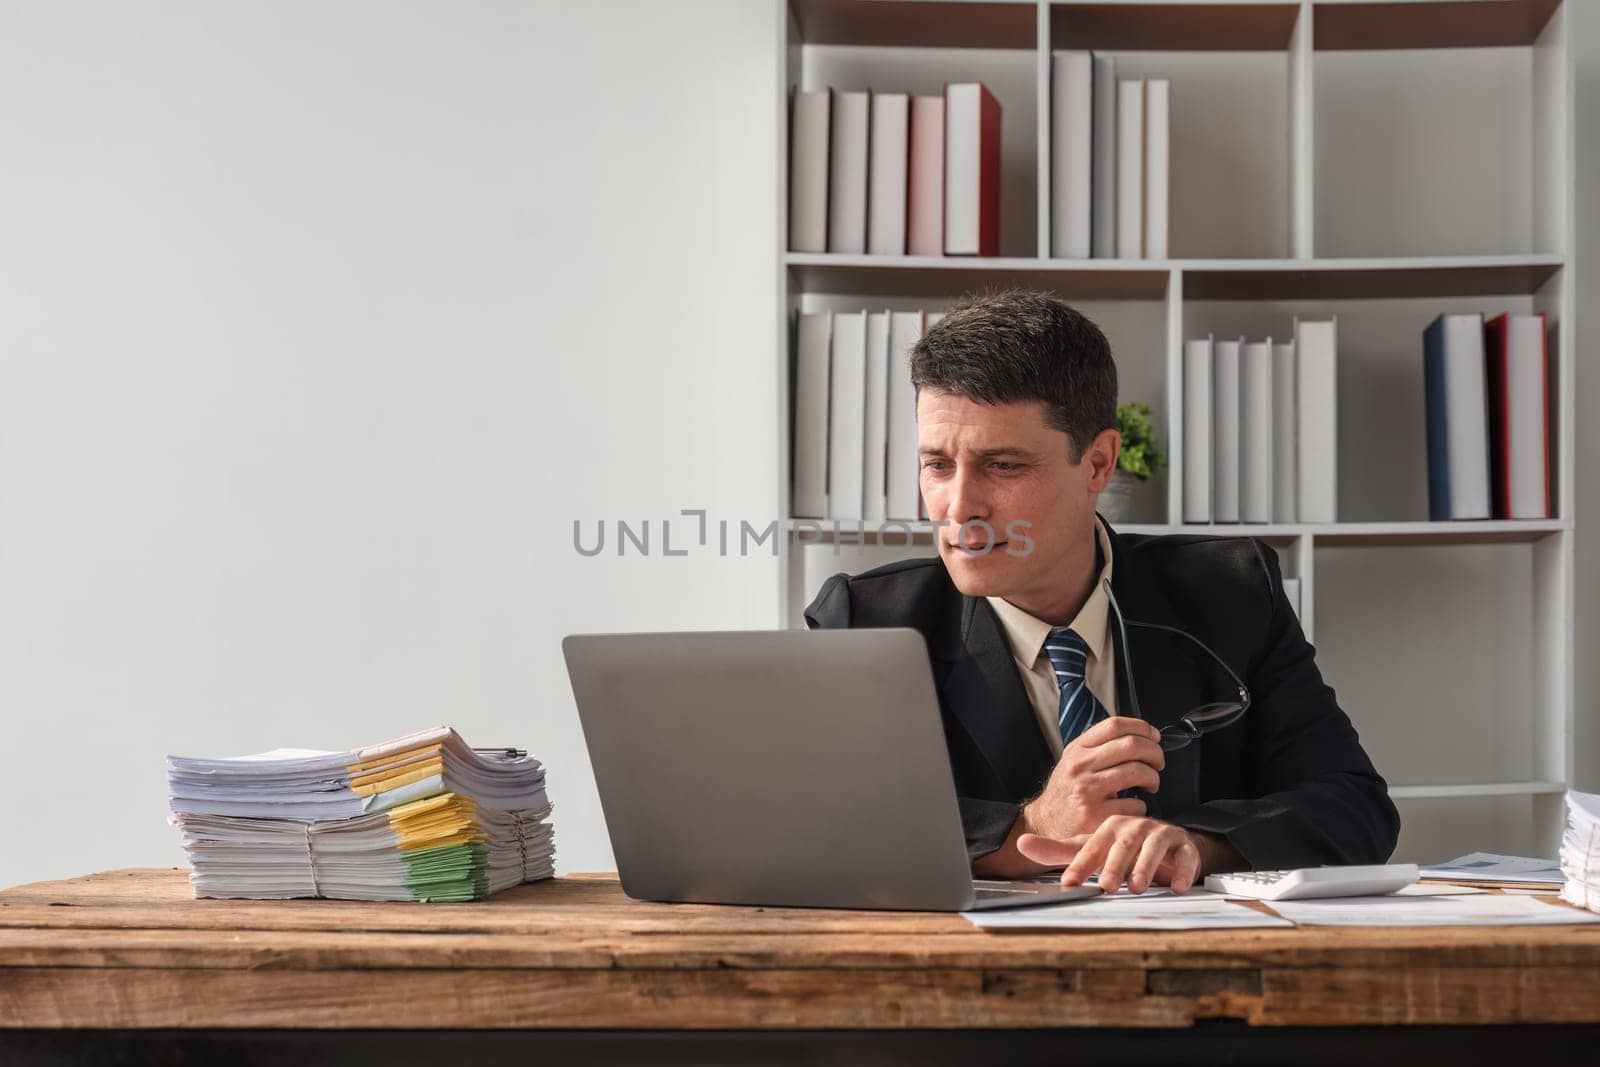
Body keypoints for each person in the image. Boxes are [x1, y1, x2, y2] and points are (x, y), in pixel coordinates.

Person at [804, 289, 1399, 894]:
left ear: (1097, 464)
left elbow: (1355, 809)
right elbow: (826, 831)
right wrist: (1029, 828)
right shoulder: (865, 621)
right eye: (937, 465)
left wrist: (1198, 845)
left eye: (1003, 466)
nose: (959, 507)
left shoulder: (1233, 589)